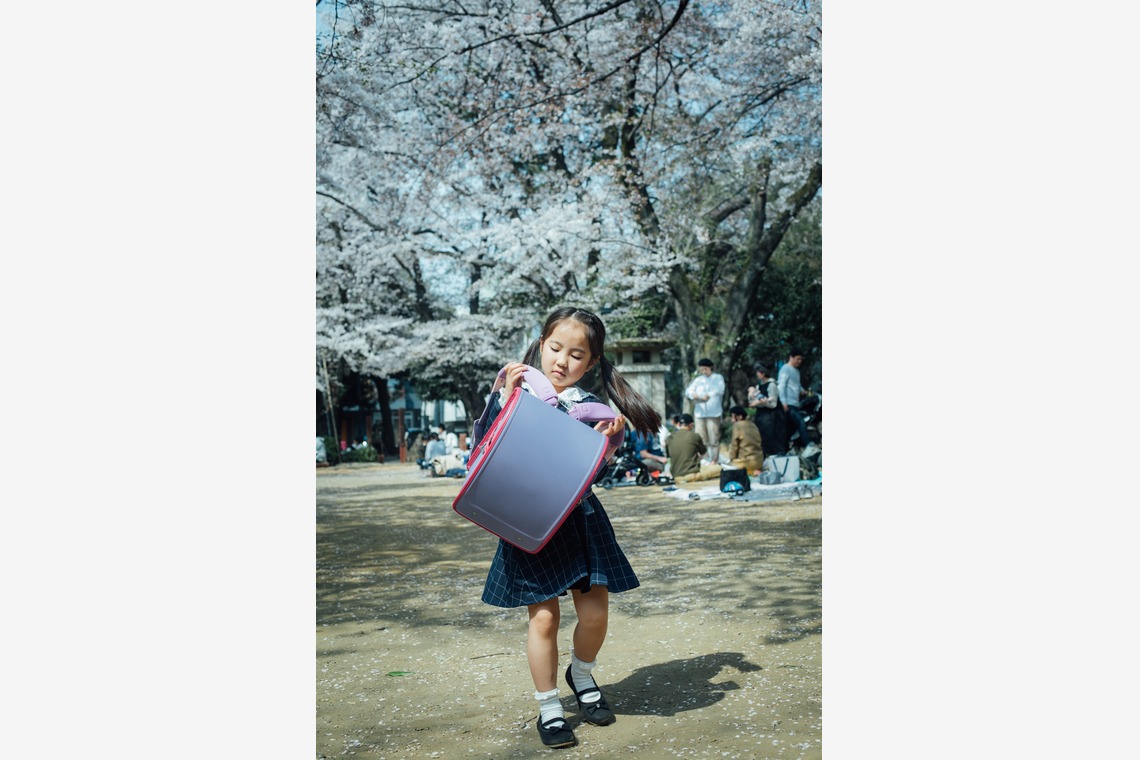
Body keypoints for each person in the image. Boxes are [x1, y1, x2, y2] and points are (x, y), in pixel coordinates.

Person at [471, 306, 661, 750]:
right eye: (555, 348)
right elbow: (484, 452)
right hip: (529, 520)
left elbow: (591, 473)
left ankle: (583, 675)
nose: (562, 361)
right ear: (541, 345)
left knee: (595, 614)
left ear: (591, 362)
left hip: (580, 516)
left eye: (576, 355)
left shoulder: (591, 409)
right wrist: (506, 399)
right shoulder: (513, 392)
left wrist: (608, 442)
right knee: (544, 619)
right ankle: (549, 706)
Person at [684, 358, 725, 464]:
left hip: (713, 412)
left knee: (713, 438)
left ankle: (714, 460)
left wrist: (709, 395)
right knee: (701, 438)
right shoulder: (698, 380)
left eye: (705, 369)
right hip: (700, 413)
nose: (703, 371)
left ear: (710, 367)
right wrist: (693, 395)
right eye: (702, 369)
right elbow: (688, 391)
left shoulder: (718, 378)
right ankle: (703, 459)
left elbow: (720, 390)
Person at [665, 413, 722, 483]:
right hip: (691, 475)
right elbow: (703, 453)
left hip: (676, 476)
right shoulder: (694, 436)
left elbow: (668, 456)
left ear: (679, 424)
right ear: (691, 425)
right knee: (719, 468)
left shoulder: (669, 438)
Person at [778, 349, 812, 453]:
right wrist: (783, 402)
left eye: (801, 359)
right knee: (801, 423)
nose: (799, 361)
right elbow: (781, 386)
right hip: (788, 404)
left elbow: (797, 385)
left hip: (796, 404)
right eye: (798, 359)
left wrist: (803, 391)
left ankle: (784, 450)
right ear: (791, 357)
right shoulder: (785, 369)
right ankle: (809, 446)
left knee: (790, 429)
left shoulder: (797, 371)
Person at [748, 363, 786, 457]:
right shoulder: (759, 386)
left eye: (758, 372)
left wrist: (760, 403)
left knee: (772, 438)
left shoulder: (772, 385)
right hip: (761, 416)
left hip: (771, 417)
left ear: (763, 373)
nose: (757, 374)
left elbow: (773, 404)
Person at [727, 405, 765, 473]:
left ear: (740, 416)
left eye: (733, 417)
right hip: (759, 461)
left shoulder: (737, 425)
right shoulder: (753, 424)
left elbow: (734, 446)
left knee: (723, 468)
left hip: (746, 462)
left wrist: (731, 459)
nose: (732, 420)